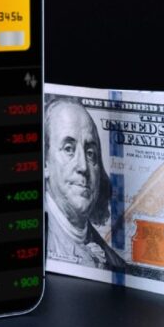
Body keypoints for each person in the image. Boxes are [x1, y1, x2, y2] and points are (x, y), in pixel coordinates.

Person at [44, 97, 126, 270]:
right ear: (44, 163)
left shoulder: (117, 265)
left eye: (90, 153)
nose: (83, 166)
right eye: (68, 149)